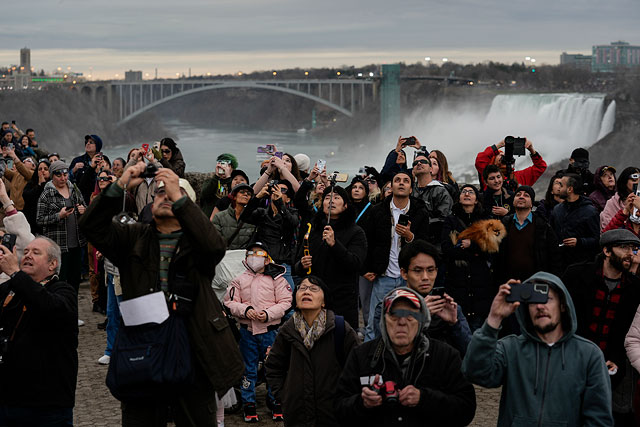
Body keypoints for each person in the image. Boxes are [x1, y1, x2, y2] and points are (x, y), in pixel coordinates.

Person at [79, 162, 243, 426]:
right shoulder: (133, 237)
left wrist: (179, 195)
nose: (165, 196)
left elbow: (215, 246)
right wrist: (120, 185)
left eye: (174, 195)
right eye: (160, 193)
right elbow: (91, 226)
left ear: (186, 206)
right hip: (143, 347)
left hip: (193, 346)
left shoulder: (197, 243)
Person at [462, 273, 613, 426]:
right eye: (532, 301)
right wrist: (494, 318)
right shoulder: (511, 348)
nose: (540, 306)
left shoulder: (588, 354)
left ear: (562, 305)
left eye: (546, 299)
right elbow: (475, 373)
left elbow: (599, 418)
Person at [335, 287, 476, 426]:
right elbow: (339, 408)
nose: (402, 322)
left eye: (410, 315)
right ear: (384, 320)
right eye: (394, 315)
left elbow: (466, 409)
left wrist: (424, 398)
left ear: (422, 321)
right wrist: (362, 403)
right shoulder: (362, 355)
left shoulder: (445, 356)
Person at [563, 229, 640, 424]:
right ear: (606, 251)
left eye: (633, 248)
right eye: (624, 247)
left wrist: (617, 361)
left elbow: (631, 333)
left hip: (613, 369)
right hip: (574, 362)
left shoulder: (636, 287)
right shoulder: (576, 275)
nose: (630, 253)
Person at [0, 237, 78, 426]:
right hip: (7, 402)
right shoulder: (9, 290)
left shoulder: (63, 291)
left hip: (47, 407)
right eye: (25, 252)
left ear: (53, 264)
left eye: (36, 253)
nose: (28, 256)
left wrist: (15, 274)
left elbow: (48, 306)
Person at [266, 275, 358, 426]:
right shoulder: (287, 331)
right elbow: (273, 367)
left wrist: (345, 400)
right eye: (302, 288)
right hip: (297, 416)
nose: (306, 292)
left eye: (314, 289)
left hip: (333, 415)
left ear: (324, 301)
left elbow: (357, 368)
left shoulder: (340, 329)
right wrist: (285, 396)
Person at [224, 243, 292, 423]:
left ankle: (276, 401)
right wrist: (245, 310)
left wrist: (268, 314)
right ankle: (249, 403)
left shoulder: (278, 279)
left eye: (259, 253)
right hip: (247, 333)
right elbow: (229, 302)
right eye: (251, 254)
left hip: (270, 332)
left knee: (274, 367)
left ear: (268, 258)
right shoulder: (238, 280)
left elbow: (286, 301)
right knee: (248, 369)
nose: (255, 257)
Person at [362, 172, 430, 340]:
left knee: (412, 320)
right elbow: (366, 241)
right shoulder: (377, 211)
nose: (401, 183)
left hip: (409, 277)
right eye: (397, 180)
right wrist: (367, 268)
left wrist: (409, 236)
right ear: (390, 186)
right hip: (384, 275)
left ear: (411, 187)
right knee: (375, 324)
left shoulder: (420, 211)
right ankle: (369, 362)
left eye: (406, 181)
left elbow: (426, 244)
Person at [294, 185, 367, 328]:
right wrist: (302, 264)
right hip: (315, 298)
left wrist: (335, 244)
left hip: (342, 301)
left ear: (345, 205)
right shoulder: (313, 229)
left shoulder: (356, 232)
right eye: (327, 198)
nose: (331, 201)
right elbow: (297, 264)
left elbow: (356, 263)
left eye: (337, 198)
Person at [399, 239, 472, 355]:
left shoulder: (449, 307)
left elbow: (471, 353)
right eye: (418, 271)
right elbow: (389, 350)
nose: (425, 277)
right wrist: (419, 317)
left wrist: (454, 324)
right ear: (404, 273)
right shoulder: (390, 308)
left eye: (430, 270)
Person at [36, 160, 87, 317]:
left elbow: (84, 205)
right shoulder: (47, 193)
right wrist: (59, 215)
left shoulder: (74, 188)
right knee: (59, 282)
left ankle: (73, 314)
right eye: (59, 175)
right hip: (58, 246)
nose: (63, 178)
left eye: (65, 174)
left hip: (77, 242)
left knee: (74, 281)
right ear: (53, 176)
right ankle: (60, 315)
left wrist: (82, 209)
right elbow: (39, 219)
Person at [441, 184, 495, 331]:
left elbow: (491, 248)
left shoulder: (485, 220)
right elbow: (447, 249)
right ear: (459, 197)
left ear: (476, 199)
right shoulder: (450, 220)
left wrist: (472, 245)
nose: (466, 194)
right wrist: (476, 251)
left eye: (471, 192)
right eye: (463, 191)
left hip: (480, 283)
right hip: (457, 280)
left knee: (479, 329)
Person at [496, 185, 562, 282]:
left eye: (526, 195)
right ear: (513, 201)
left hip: (536, 282)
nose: (521, 197)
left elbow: (555, 257)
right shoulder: (505, 224)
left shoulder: (542, 225)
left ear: (532, 203)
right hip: (508, 282)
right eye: (518, 195)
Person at [240, 180, 299, 288]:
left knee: (289, 296)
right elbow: (244, 217)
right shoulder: (262, 213)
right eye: (275, 189)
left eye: (283, 190)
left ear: (289, 198)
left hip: (282, 264)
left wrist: (280, 203)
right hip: (262, 263)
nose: (277, 192)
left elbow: (292, 222)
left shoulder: (292, 212)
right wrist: (257, 197)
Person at [550, 173, 600, 266]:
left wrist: (579, 242)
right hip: (559, 263)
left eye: (561, 185)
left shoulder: (590, 212)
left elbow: (596, 239)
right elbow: (551, 234)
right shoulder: (557, 210)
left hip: (582, 265)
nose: (558, 188)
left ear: (570, 189)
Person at [411, 152, 453, 243]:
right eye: (415, 163)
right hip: (410, 241)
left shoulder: (440, 191)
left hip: (434, 242)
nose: (419, 163)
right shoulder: (410, 190)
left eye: (423, 161)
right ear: (413, 170)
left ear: (430, 169)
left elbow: (444, 218)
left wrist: (418, 224)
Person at [475, 138, 546, 190]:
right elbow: (480, 160)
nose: (503, 156)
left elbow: (540, 167)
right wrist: (500, 145)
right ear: (493, 163)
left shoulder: (519, 176)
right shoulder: (489, 176)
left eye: (504, 154)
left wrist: (531, 150)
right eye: (500, 155)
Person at [212, 183, 256, 250]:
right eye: (242, 192)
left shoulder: (254, 218)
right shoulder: (219, 217)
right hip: (225, 256)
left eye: (249, 194)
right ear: (234, 197)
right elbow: (215, 240)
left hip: (244, 256)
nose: (246, 194)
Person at [601, 167, 640, 231]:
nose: (637, 183)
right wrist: (624, 212)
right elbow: (607, 233)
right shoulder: (613, 202)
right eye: (634, 180)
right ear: (625, 181)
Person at [200, 153, 238, 218]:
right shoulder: (211, 181)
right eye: (220, 164)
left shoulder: (235, 183)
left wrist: (228, 177)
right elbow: (204, 195)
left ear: (232, 169)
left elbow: (233, 197)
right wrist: (216, 177)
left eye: (226, 165)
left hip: (226, 219)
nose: (223, 168)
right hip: (208, 218)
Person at [22, 158, 50, 234]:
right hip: (31, 221)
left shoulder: (53, 185)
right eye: (40, 169)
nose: (42, 171)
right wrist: (39, 185)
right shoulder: (31, 183)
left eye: (46, 169)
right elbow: (27, 197)